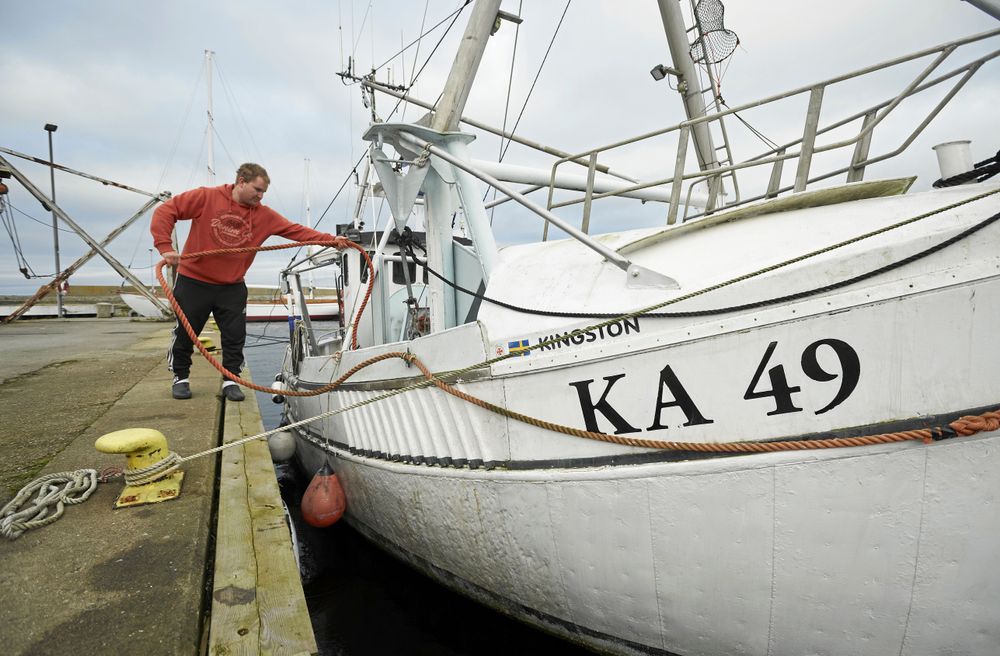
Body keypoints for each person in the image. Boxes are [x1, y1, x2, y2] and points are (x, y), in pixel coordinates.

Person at [152, 162, 335, 401]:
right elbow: (166, 211)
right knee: (186, 333)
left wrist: (331, 240)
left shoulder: (264, 216)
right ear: (241, 182)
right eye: (257, 190)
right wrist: (165, 247)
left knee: (234, 336)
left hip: (232, 285)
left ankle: (231, 381)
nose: (260, 196)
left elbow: (297, 231)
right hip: (193, 281)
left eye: (263, 193)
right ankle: (181, 377)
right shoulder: (206, 197)